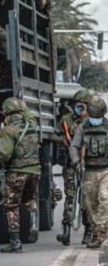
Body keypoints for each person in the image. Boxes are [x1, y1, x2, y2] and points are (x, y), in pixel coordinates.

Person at [0, 97, 40, 253]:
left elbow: (4, 154)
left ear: (7, 114)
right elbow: (29, 114)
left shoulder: (9, 130)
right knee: (29, 199)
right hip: (34, 171)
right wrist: (22, 106)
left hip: (17, 173)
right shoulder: (32, 125)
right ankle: (33, 223)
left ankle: (15, 242)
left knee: (11, 206)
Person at [70, 95, 108, 249]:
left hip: (106, 170)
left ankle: (101, 232)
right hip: (89, 171)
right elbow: (74, 146)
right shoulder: (83, 127)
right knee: (90, 204)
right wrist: (76, 161)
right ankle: (96, 231)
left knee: (105, 199)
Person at [54, 89, 91, 246]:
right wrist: (62, 139)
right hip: (70, 164)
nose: (79, 107)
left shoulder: (93, 120)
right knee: (70, 197)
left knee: (86, 198)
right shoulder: (66, 119)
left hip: (88, 165)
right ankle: (66, 230)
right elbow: (55, 133)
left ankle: (88, 231)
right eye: (77, 105)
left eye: (83, 105)